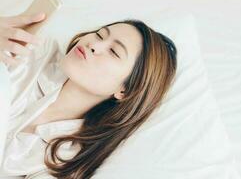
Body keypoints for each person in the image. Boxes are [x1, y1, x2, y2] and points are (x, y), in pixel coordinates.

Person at [0, 13, 177, 179]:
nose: (93, 45)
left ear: (125, 91)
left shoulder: (69, 157)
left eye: (114, 52)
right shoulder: (34, 50)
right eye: (100, 35)